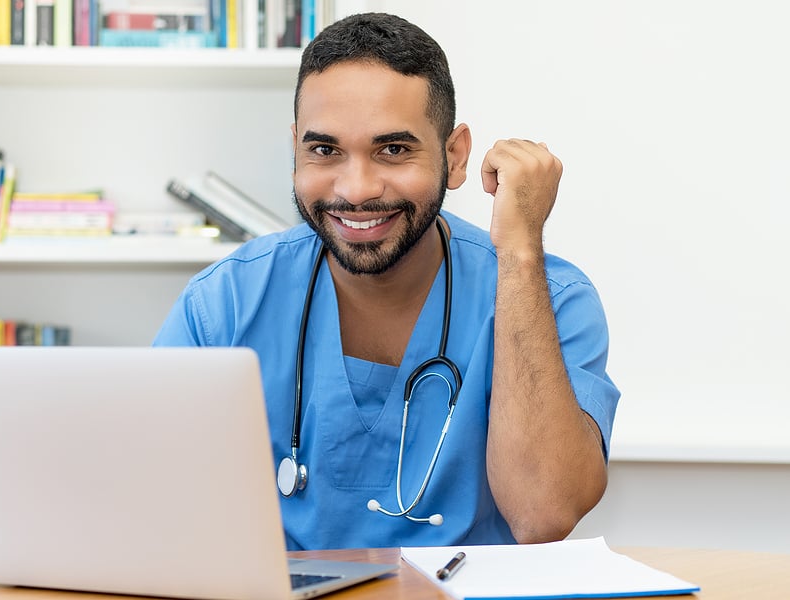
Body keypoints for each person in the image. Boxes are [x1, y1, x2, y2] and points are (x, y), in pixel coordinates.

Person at [154, 12, 619, 550]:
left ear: (454, 155)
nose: (356, 190)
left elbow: (544, 514)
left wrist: (518, 251)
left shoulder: (552, 299)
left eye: (393, 150)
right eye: (324, 150)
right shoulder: (225, 304)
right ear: (296, 151)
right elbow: (148, 504)